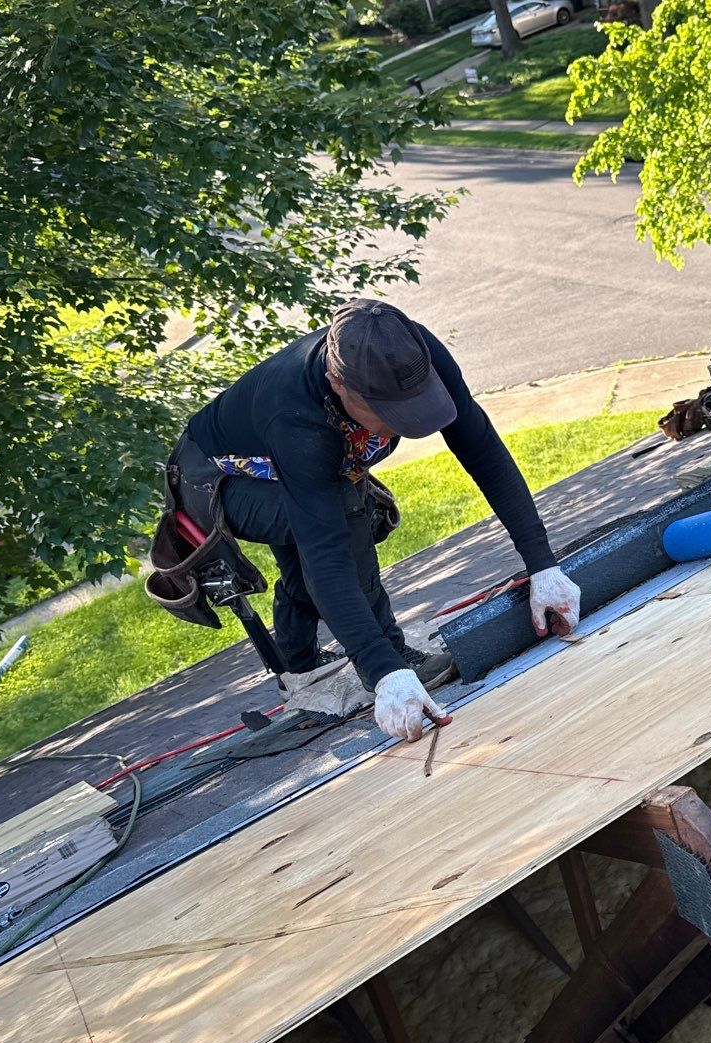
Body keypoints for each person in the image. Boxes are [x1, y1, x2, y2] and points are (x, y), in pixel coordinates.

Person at [171, 299, 581, 741]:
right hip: (217, 480)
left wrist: (542, 564)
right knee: (345, 514)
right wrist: (384, 668)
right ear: (337, 383)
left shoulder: (410, 353)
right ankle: (390, 653)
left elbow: (483, 451)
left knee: (325, 517)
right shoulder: (297, 417)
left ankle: (300, 663)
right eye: (387, 416)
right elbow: (324, 553)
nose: (395, 428)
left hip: (286, 461)